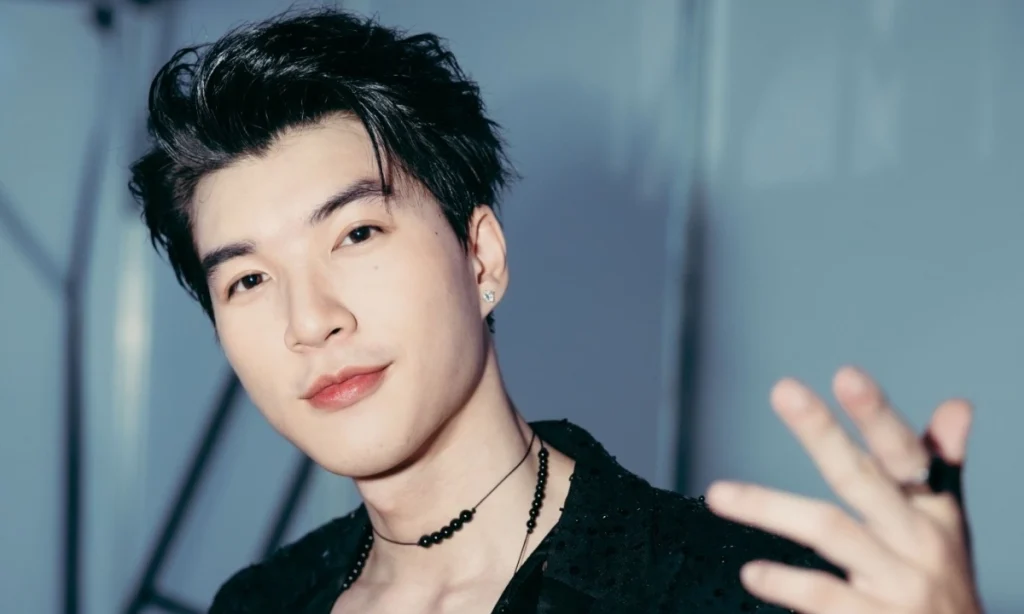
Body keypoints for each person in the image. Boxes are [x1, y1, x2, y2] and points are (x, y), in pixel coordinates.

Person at [129, 7, 983, 614]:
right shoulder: (261, 601)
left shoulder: (732, 589)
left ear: (482, 258)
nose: (309, 320)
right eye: (247, 280)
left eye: (355, 234)